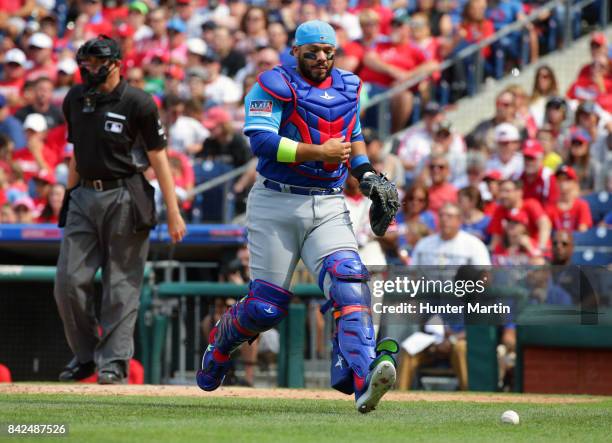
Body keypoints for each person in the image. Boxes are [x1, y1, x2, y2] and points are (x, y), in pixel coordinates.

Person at [197, 21, 400, 414]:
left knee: (350, 281)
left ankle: (363, 379)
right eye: (313, 51)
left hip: (327, 201)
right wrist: (317, 152)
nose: (321, 58)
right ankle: (220, 345)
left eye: (328, 51)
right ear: (296, 51)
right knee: (265, 308)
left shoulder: (349, 85)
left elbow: (351, 135)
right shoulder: (273, 83)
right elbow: (262, 141)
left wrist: (367, 174)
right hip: (276, 201)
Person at [54, 36, 186, 385]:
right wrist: (68, 196)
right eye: (88, 63)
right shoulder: (74, 99)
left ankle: (113, 362)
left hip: (125, 194)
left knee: (121, 285)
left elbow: (159, 157)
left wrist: (173, 210)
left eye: (99, 63)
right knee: (68, 281)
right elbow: (75, 153)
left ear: (117, 64)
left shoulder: (138, 102)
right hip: (84, 193)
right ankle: (85, 357)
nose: (92, 69)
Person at [411, 202, 491, 266]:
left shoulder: (474, 245)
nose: (444, 219)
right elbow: (413, 274)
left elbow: (485, 275)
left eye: (449, 216)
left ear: (459, 220)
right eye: (441, 216)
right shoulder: (424, 244)